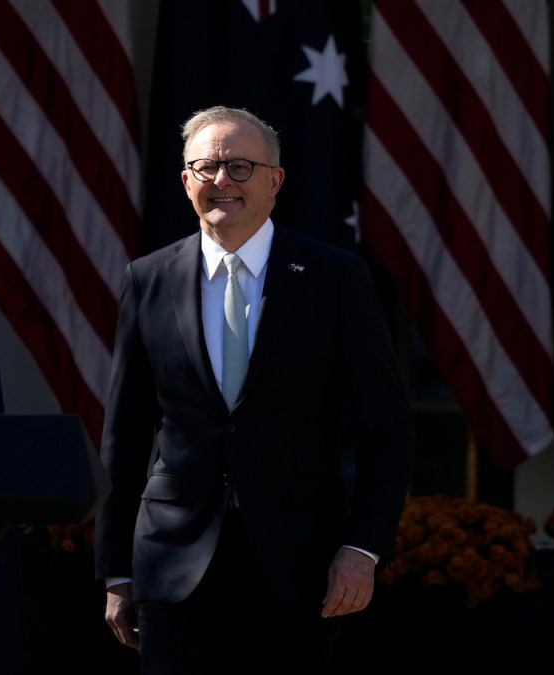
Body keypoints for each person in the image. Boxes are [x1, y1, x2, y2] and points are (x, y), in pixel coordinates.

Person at [94, 105, 415, 674]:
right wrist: (117, 569)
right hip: (174, 566)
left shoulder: (336, 277)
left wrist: (363, 548)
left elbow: (385, 427)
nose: (223, 181)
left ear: (276, 180)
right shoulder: (148, 278)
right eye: (208, 166)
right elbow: (125, 431)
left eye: (241, 167)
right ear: (186, 181)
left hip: (300, 564)